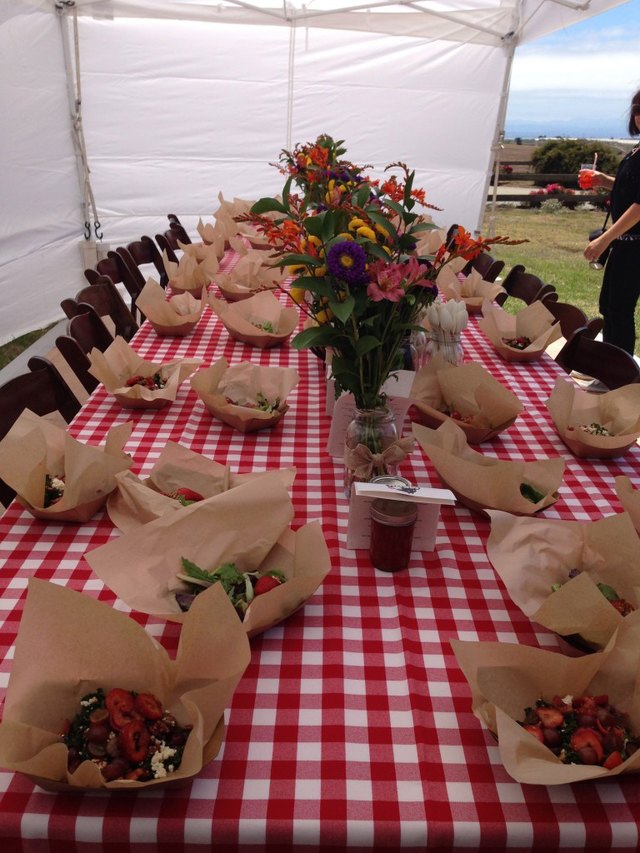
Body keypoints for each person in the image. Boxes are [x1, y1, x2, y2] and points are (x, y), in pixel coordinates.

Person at [582, 91, 640, 355]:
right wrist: (605, 181)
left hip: (635, 246)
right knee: (611, 306)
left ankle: (619, 378)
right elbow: (631, 192)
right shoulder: (636, 151)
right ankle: (612, 370)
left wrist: (604, 238)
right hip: (625, 244)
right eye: (638, 109)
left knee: (619, 309)